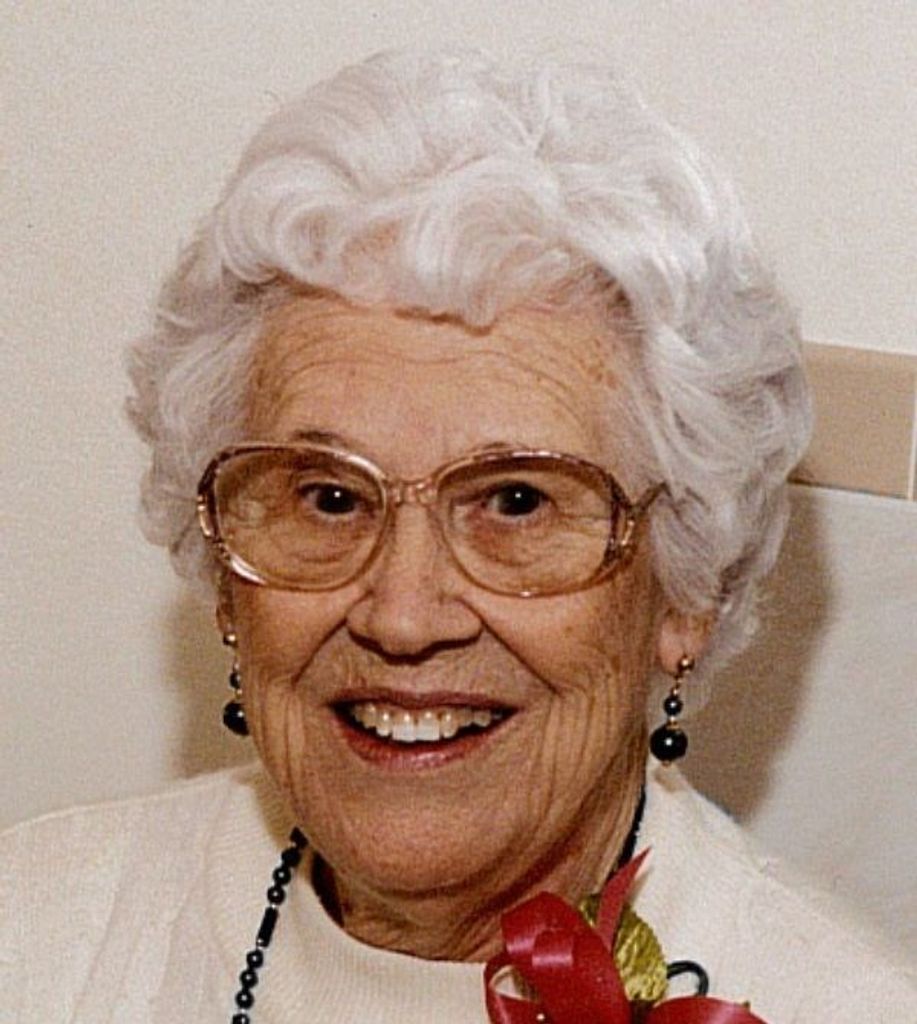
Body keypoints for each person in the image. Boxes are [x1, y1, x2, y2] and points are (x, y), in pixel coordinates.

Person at [2, 48, 914, 1024]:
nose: (402, 615)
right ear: (226, 577)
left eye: (517, 501)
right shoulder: (42, 931)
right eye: (328, 498)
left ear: (685, 588)